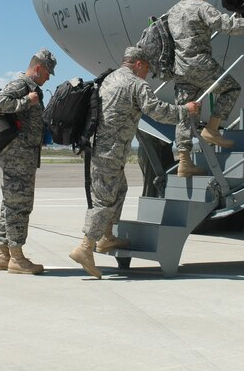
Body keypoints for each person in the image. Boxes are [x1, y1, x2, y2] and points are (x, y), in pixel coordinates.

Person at [69, 47, 200, 279]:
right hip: (110, 152)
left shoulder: (109, 78)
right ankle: (85, 247)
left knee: (120, 189)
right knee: (104, 201)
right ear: (138, 64)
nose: (147, 74)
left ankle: (107, 236)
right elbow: (157, 112)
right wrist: (185, 111)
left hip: (102, 149)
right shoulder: (136, 84)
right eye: (146, 68)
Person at [168, 0, 244, 176]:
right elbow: (226, 25)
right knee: (231, 88)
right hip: (199, 62)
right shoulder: (200, 6)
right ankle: (212, 129)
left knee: (186, 113)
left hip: (180, 68)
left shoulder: (173, 11)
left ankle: (184, 162)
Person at [0, 48, 57, 275]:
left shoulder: (31, 88)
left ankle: (2, 254)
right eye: (48, 72)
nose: (49, 77)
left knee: (10, 204)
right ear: (38, 68)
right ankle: (17, 258)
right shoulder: (22, 86)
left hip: (23, 156)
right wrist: (26, 102)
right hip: (17, 156)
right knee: (19, 205)